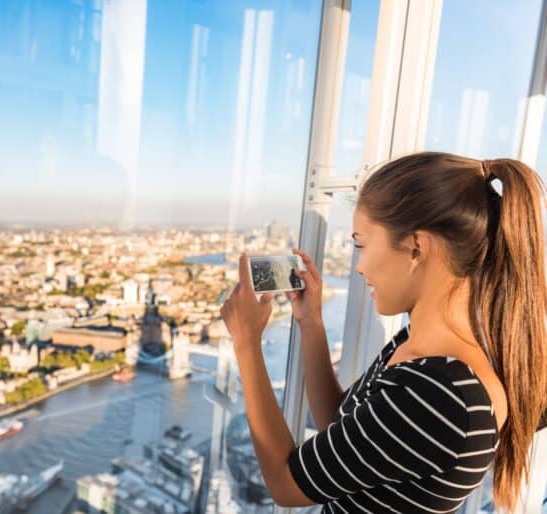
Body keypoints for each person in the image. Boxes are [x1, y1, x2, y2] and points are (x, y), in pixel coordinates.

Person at [219, 152, 547, 513]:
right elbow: (344, 429)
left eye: (361, 244)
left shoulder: (440, 394)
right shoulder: (417, 348)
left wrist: (247, 343)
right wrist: (310, 322)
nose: (358, 266)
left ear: (416, 248)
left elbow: (285, 484)